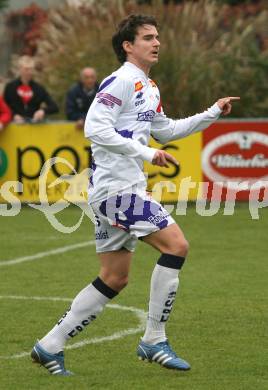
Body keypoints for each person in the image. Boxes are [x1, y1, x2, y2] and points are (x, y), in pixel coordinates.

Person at [31, 14, 239, 376]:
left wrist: (211, 113)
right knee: (177, 246)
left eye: (157, 36)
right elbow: (96, 128)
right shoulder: (122, 80)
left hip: (119, 191)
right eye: (147, 37)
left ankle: (49, 346)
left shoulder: (148, 86)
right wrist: (146, 154)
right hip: (116, 191)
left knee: (114, 277)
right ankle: (154, 339)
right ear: (128, 46)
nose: (156, 42)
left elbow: (167, 130)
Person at [3, 56, 58, 124]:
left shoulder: (39, 89)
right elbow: (3, 107)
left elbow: (54, 107)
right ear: (20, 69)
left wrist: (43, 111)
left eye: (31, 69)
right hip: (13, 126)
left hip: (33, 127)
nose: (29, 72)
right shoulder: (10, 87)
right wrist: (14, 115)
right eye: (26, 69)